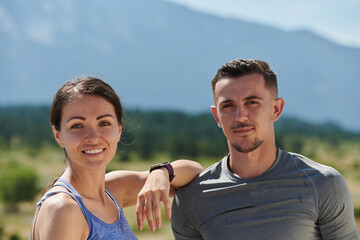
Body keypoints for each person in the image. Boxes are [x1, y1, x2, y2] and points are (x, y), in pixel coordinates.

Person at [171, 59, 360, 239]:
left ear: (276, 109)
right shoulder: (191, 199)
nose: (240, 116)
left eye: (251, 103)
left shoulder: (323, 183)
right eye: (228, 106)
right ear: (216, 116)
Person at [30, 76, 203, 240]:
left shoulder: (111, 190)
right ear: (58, 135)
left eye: (104, 123)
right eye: (77, 126)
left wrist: (161, 172)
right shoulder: (63, 208)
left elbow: (196, 174)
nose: (93, 137)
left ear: (119, 129)